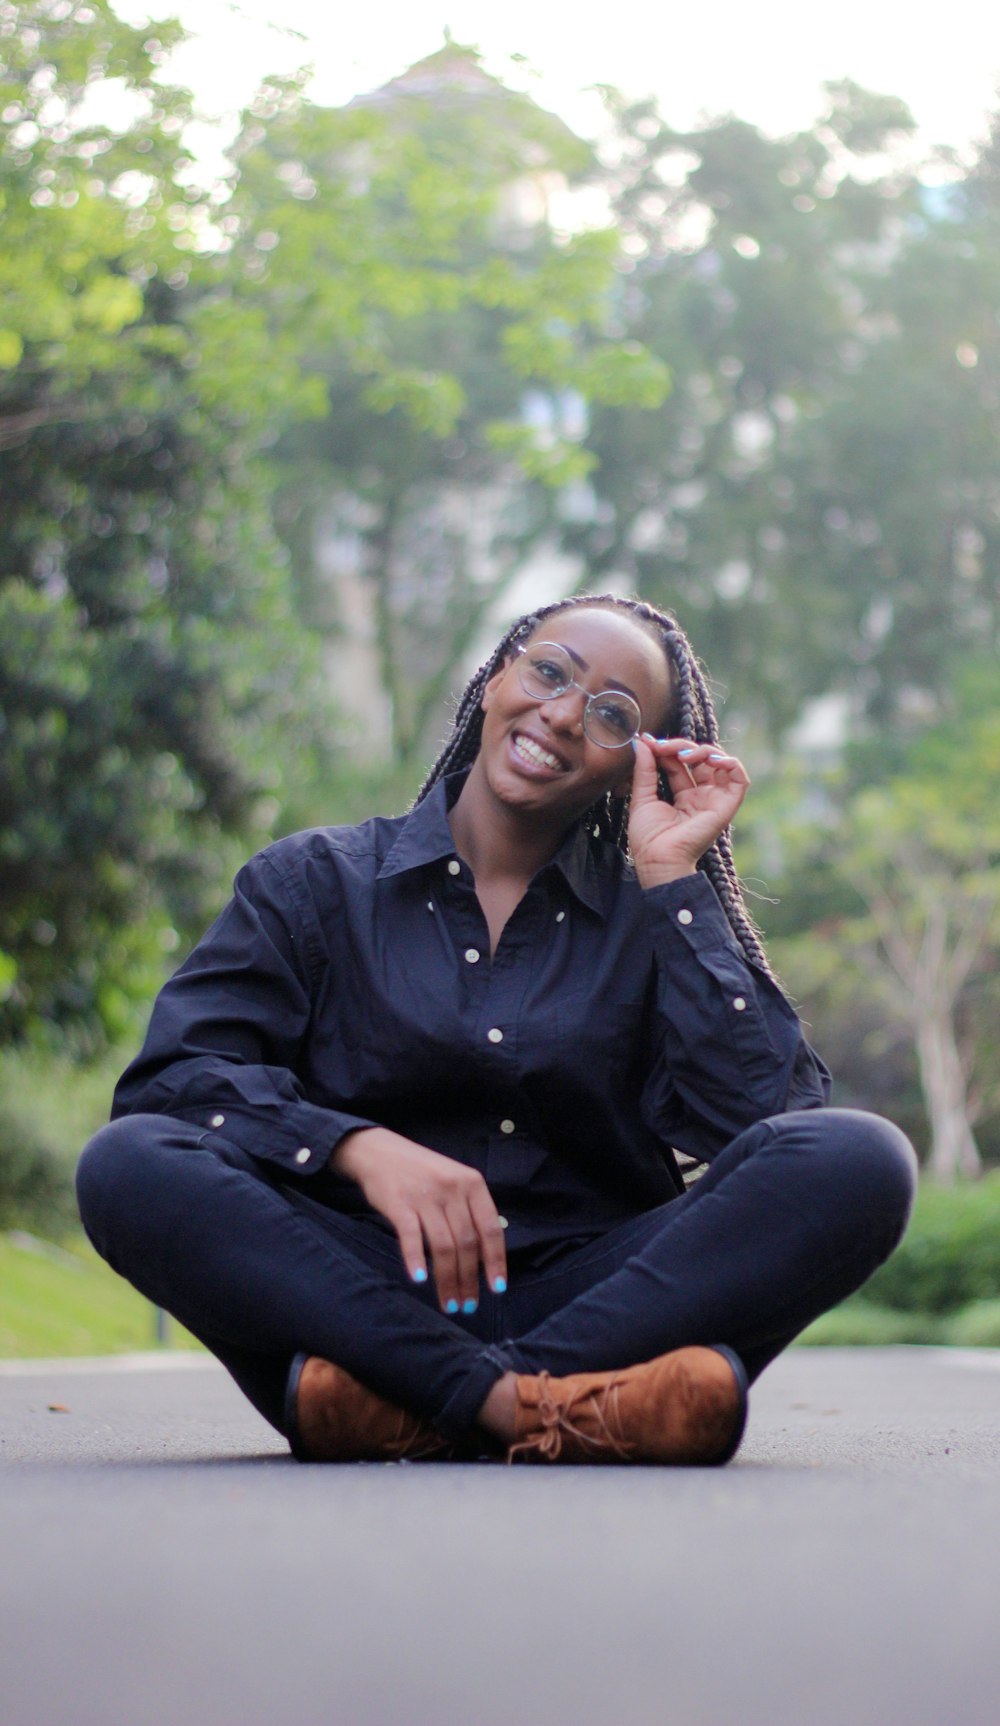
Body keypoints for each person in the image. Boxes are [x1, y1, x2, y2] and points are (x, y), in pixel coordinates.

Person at [76, 593, 916, 1466]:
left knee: (862, 1159)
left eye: (610, 714)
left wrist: (672, 878)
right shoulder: (312, 883)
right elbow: (173, 1084)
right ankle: (550, 1410)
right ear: (497, 677)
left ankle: (424, 1407)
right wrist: (355, 1147)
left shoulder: (653, 917)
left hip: (604, 1300)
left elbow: (765, 1123)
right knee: (128, 1163)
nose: (559, 714)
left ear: (637, 762)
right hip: (356, 1294)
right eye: (549, 671)